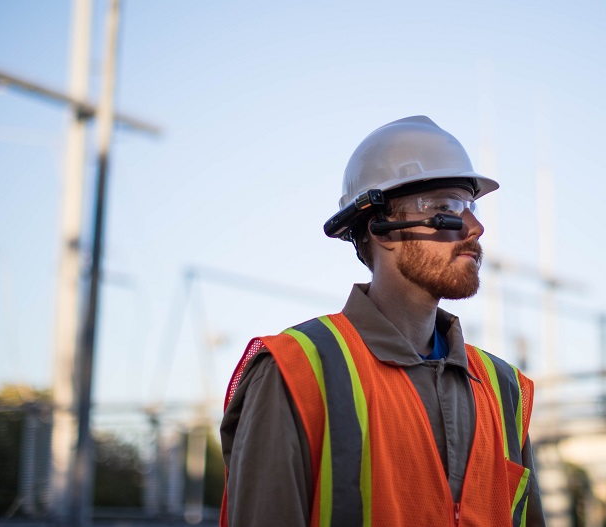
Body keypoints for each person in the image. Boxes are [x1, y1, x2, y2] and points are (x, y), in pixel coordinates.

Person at [220, 116, 545, 526]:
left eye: (472, 207)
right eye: (447, 207)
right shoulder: (296, 371)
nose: (476, 227)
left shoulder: (504, 391)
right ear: (381, 229)